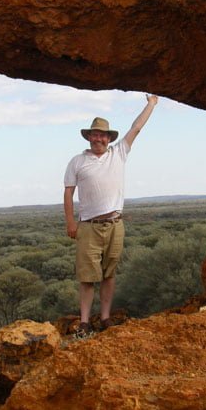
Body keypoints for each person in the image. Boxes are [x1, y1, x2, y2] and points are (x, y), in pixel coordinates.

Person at [64, 94, 159, 334]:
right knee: (87, 277)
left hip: (115, 224)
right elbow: (68, 193)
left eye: (102, 135)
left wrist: (151, 104)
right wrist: (70, 222)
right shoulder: (77, 161)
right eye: (94, 135)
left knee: (109, 273)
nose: (98, 138)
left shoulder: (119, 153)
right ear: (89, 137)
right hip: (88, 226)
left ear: (108, 138)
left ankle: (105, 318)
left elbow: (136, 127)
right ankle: (84, 321)